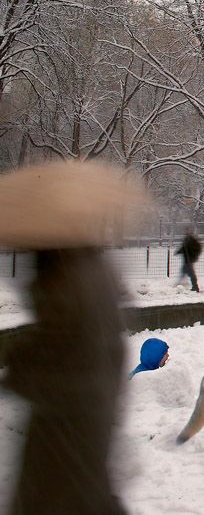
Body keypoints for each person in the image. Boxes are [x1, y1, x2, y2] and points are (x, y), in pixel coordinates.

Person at [0, 160, 146, 515]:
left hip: (65, 427)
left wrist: (17, 365)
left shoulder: (62, 277)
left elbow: (63, 359)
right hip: (87, 420)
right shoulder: (89, 265)